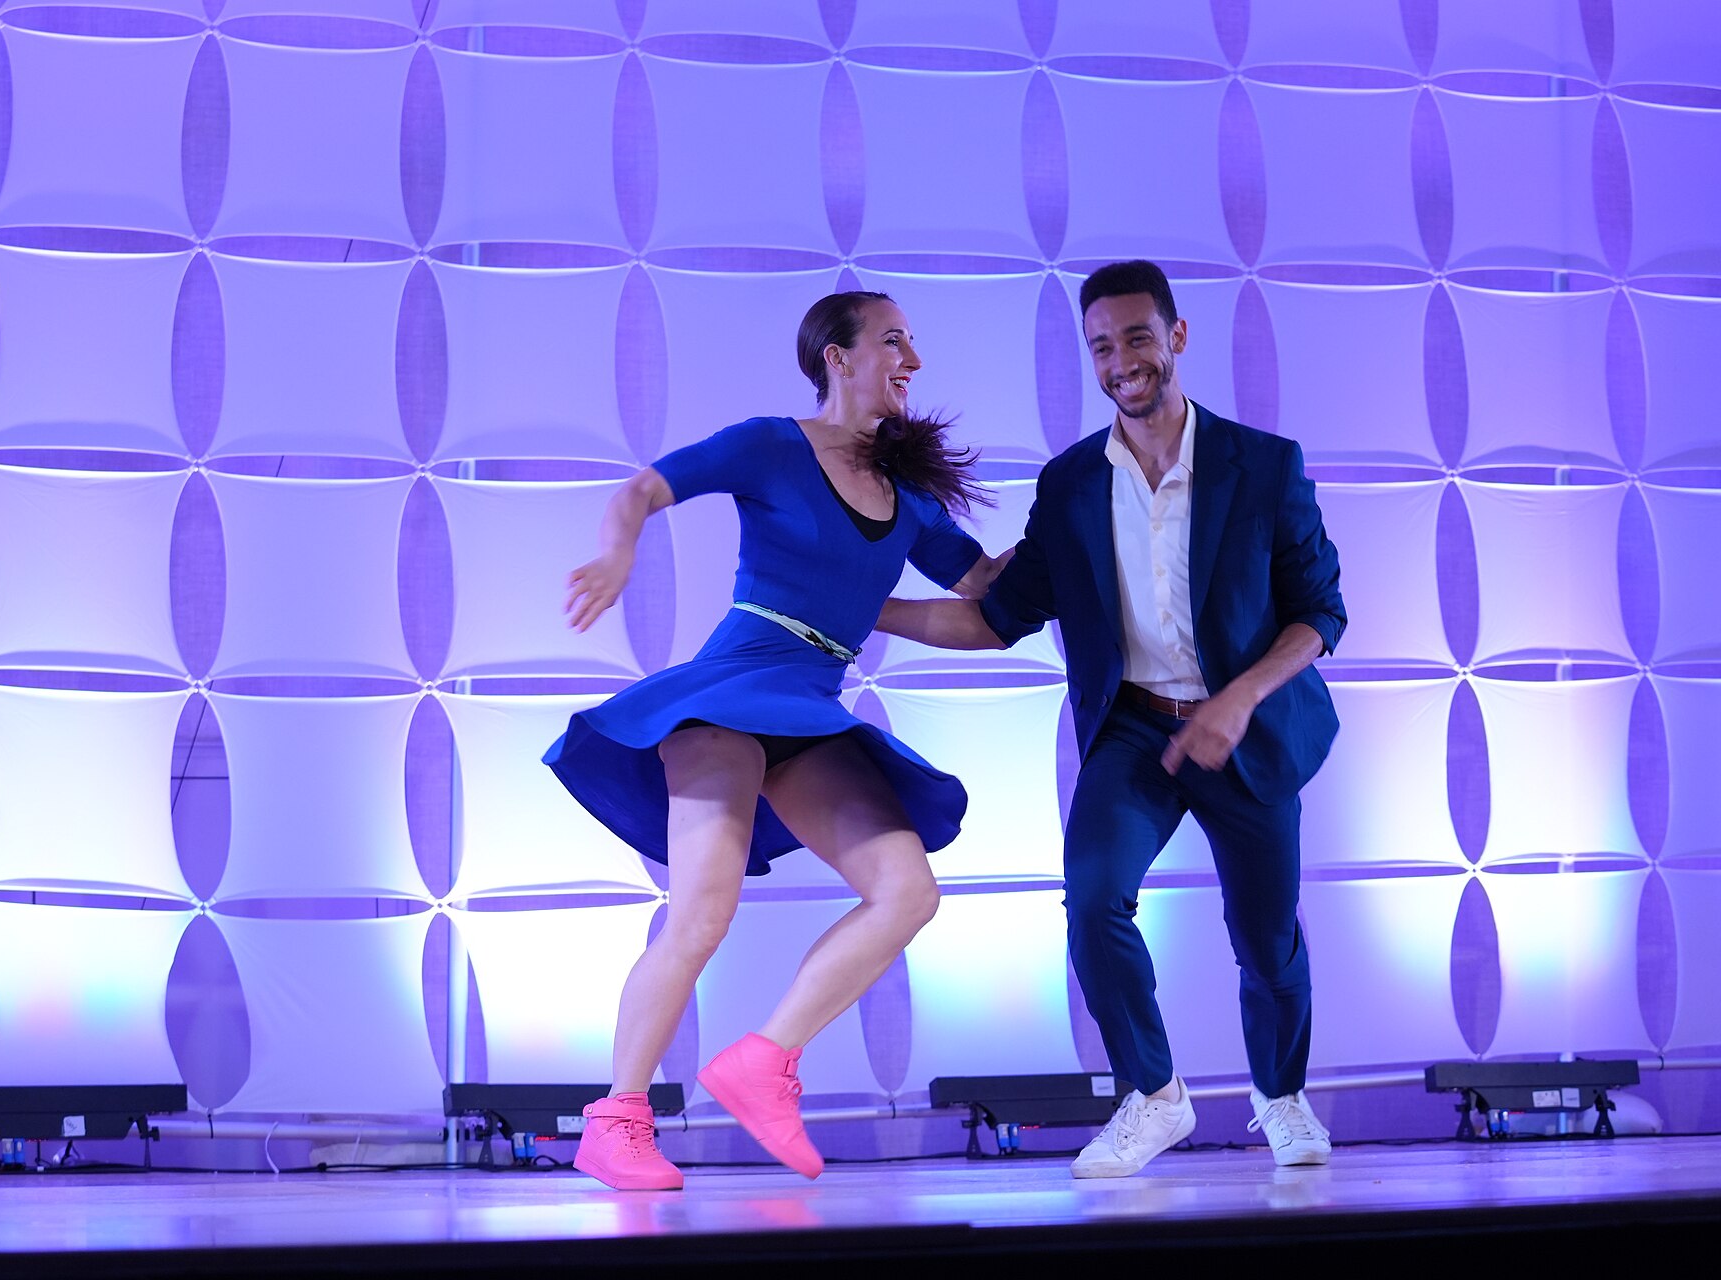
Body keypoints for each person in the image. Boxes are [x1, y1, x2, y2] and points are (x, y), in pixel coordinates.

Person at [876, 261, 1347, 1177]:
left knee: (1266, 935)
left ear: (1176, 338)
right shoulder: (1071, 485)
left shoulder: (1264, 465)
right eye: (1102, 346)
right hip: (1135, 727)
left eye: (1138, 337)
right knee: (1093, 901)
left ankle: (1282, 1097)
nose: (1122, 360)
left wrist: (1237, 699)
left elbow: (1321, 611)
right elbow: (995, 616)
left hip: (1247, 726)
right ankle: (1154, 1094)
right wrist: (868, 611)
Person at [544, 291, 1007, 1190]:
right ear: (837, 357)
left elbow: (983, 613)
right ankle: (616, 1120)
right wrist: (618, 552)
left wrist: (1063, 546)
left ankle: (764, 1061)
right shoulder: (771, 444)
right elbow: (644, 487)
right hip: (731, 692)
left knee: (906, 891)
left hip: (811, 706)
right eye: (893, 340)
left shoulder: (911, 497)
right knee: (702, 913)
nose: (912, 357)